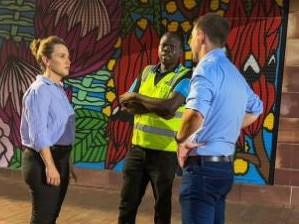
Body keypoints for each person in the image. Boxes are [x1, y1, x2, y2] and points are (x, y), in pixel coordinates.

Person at [174, 13, 263, 224]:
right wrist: (224, 127)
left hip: (202, 170)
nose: (189, 43)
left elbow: (195, 114)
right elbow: (257, 107)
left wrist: (180, 140)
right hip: (223, 170)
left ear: (201, 37)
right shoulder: (234, 73)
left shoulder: (206, 68)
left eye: (191, 37)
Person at [118, 31, 192, 224]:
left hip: (164, 154)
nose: (166, 49)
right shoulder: (146, 72)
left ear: (180, 52)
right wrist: (157, 106)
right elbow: (126, 104)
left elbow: (170, 106)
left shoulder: (186, 77)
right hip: (137, 150)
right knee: (127, 203)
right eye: (163, 45)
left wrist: (137, 97)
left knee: (162, 206)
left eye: (172, 46)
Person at [20, 35, 76, 224]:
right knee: (42, 219)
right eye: (61, 56)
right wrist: (50, 166)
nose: (67, 61)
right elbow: (39, 134)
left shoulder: (57, 89)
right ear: (46, 60)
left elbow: (60, 129)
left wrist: (67, 163)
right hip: (41, 161)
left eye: (68, 56)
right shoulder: (40, 90)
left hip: (59, 159)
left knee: (51, 217)